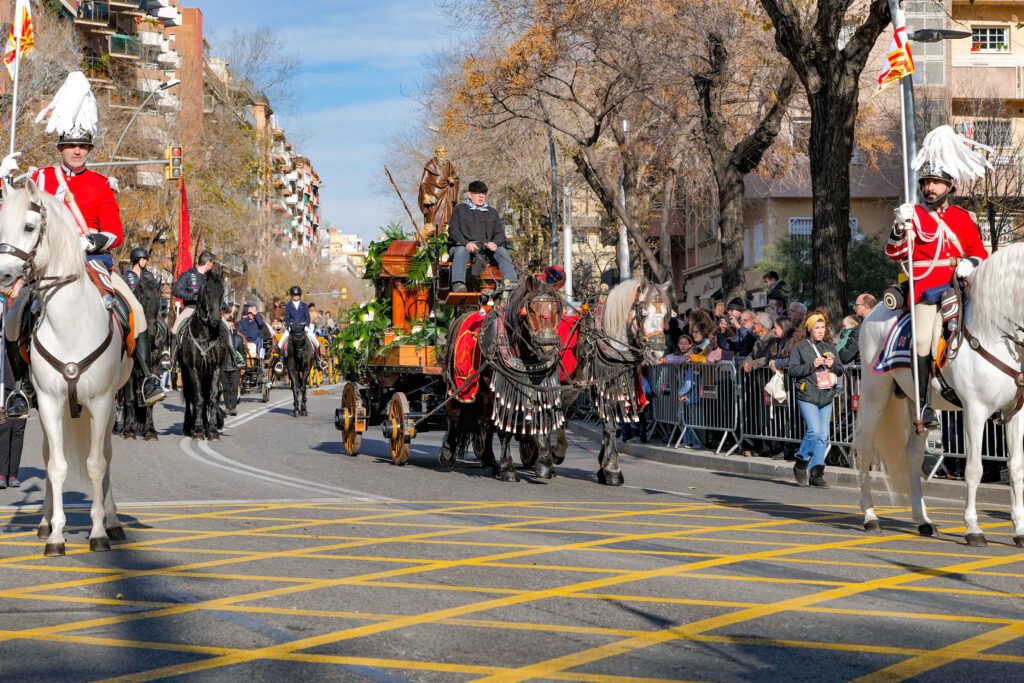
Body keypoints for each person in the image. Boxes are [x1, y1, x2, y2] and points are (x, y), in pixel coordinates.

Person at [8, 72, 165, 411]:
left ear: (89, 149)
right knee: (15, 316)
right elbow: (17, 215)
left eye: (82, 146)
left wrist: (89, 241)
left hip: (94, 264)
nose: (77, 151)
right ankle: (21, 387)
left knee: (135, 310)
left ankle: (147, 376)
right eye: (70, 145)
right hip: (48, 269)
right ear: (60, 148)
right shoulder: (41, 178)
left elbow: (116, 232)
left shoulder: (100, 184)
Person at [887, 131, 988, 428]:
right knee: (924, 340)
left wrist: (970, 262)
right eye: (926, 182)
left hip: (960, 288)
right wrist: (899, 226)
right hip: (926, 290)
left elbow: (978, 250)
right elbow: (895, 253)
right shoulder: (914, 215)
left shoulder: (961, 217)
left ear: (949, 186)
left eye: (936, 182)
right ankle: (923, 406)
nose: (930, 188)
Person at [787, 311, 845, 487]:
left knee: (823, 436)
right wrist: (812, 365)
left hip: (826, 395)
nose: (820, 331)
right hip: (808, 395)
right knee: (814, 430)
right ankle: (801, 462)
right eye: (816, 328)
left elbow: (841, 369)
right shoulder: (800, 347)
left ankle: (816, 473)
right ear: (809, 329)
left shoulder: (829, 346)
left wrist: (832, 365)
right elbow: (793, 370)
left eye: (822, 328)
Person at [447, 180, 517, 292]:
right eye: (477, 193)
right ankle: (458, 284)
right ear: (470, 194)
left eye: (484, 193)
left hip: (486, 249)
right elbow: (453, 231)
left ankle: (512, 282)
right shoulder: (459, 209)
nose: (481, 196)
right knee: (460, 251)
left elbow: (500, 233)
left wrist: (495, 243)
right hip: (464, 247)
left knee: (502, 251)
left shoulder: (492, 212)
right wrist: (466, 244)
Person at [0, 333, 26, 489]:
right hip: (2, 389)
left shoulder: (23, 336)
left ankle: (13, 474)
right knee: (3, 428)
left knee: (18, 431)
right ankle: (2, 474)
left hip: (20, 389)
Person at [170, 251, 216, 335]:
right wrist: (193, 297)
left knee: (227, 328)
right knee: (175, 330)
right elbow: (175, 290)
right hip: (191, 308)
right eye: (213, 263)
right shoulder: (187, 275)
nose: (213, 265)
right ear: (208, 263)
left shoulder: (212, 278)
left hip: (210, 311)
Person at [277, 285, 324, 365]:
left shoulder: (305, 305)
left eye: (297, 295)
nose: (296, 296)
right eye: (294, 295)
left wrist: (306, 326)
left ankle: (319, 360)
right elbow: (287, 318)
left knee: (316, 342)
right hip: (292, 328)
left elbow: (307, 318)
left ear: (299, 295)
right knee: (280, 343)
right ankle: (281, 362)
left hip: (303, 327)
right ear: (291, 295)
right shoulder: (288, 306)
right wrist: (289, 327)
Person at [418, 145, 460, 234]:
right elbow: (423, 182)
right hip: (434, 194)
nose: (441, 154)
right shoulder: (430, 164)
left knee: (447, 214)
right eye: (439, 152)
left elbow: (455, 178)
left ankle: (444, 235)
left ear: (445, 153)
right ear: (436, 153)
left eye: (442, 152)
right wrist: (425, 194)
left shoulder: (448, 164)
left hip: (446, 193)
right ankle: (432, 237)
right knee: (432, 217)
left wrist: (453, 181)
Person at [220, 311, 246, 416]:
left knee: (234, 388)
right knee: (226, 388)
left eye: (231, 322)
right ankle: (227, 407)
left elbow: (243, 353)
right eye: (228, 322)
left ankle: (233, 407)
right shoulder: (221, 338)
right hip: (224, 366)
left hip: (235, 367)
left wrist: (243, 366)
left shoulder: (239, 339)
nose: (229, 324)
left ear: (234, 325)